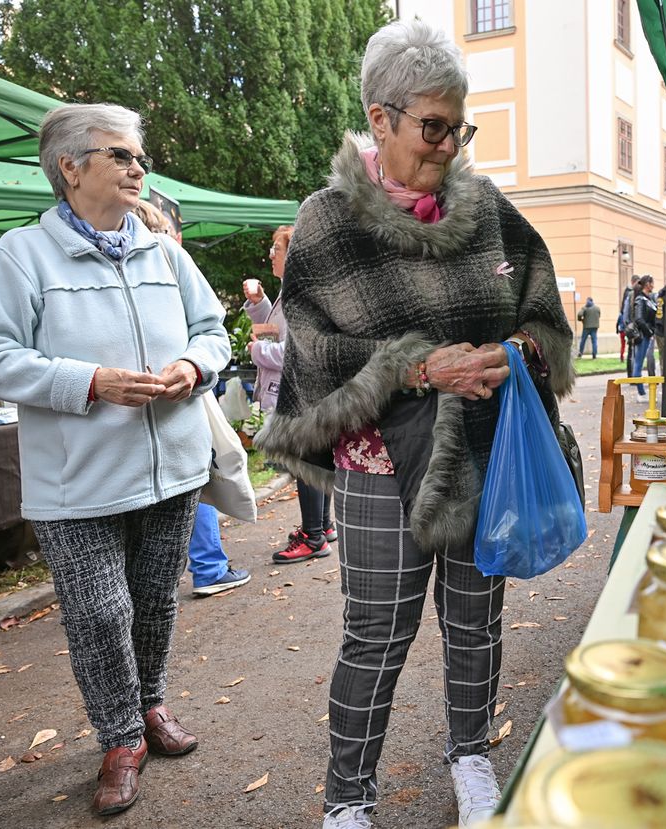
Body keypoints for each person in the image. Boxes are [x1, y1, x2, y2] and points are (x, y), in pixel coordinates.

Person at [254, 20, 574, 829]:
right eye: (433, 126)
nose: (448, 146)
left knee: (476, 619)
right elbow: (319, 349)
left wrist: (516, 350)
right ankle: (349, 799)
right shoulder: (328, 220)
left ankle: (472, 758)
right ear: (381, 117)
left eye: (458, 127)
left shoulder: (489, 207)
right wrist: (421, 366)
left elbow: (544, 310)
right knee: (376, 634)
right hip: (377, 468)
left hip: (480, 453)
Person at [0, 103, 230, 816]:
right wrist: (88, 381)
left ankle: (149, 705)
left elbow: (214, 331)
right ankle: (119, 738)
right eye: (120, 154)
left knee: (154, 603)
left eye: (139, 155)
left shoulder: (165, 252)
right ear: (70, 167)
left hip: (170, 466)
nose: (139, 167)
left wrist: (190, 366)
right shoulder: (22, 255)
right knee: (100, 612)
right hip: (75, 481)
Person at [133, 201, 250, 599]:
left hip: (178, 395)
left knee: (189, 479)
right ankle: (209, 566)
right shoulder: (160, 267)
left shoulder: (171, 269)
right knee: (193, 477)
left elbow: (210, 331)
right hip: (166, 410)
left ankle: (204, 566)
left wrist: (194, 365)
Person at [244, 226, 337, 560]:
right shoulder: (297, 290)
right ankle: (322, 525)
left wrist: (256, 352)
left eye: (276, 250)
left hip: (299, 391)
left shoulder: (301, 295)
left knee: (304, 462)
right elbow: (276, 329)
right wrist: (258, 305)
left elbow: (293, 351)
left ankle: (313, 537)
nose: (271, 255)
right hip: (308, 391)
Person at [628, 274, 658, 400]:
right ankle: (641, 393)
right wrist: (649, 332)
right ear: (647, 284)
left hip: (645, 334)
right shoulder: (641, 299)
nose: (653, 285)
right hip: (643, 335)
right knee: (638, 364)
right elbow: (639, 319)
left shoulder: (646, 298)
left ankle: (642, 393)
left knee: (639, 363)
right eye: (652, 283)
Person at [618, 274, 639, 362]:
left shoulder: (629, 292)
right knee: (631, 348)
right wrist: (627, 324)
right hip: (630, 324)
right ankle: (631, 370)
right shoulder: (630, 293)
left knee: (631, 348)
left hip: (628, 324)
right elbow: (625, 311)